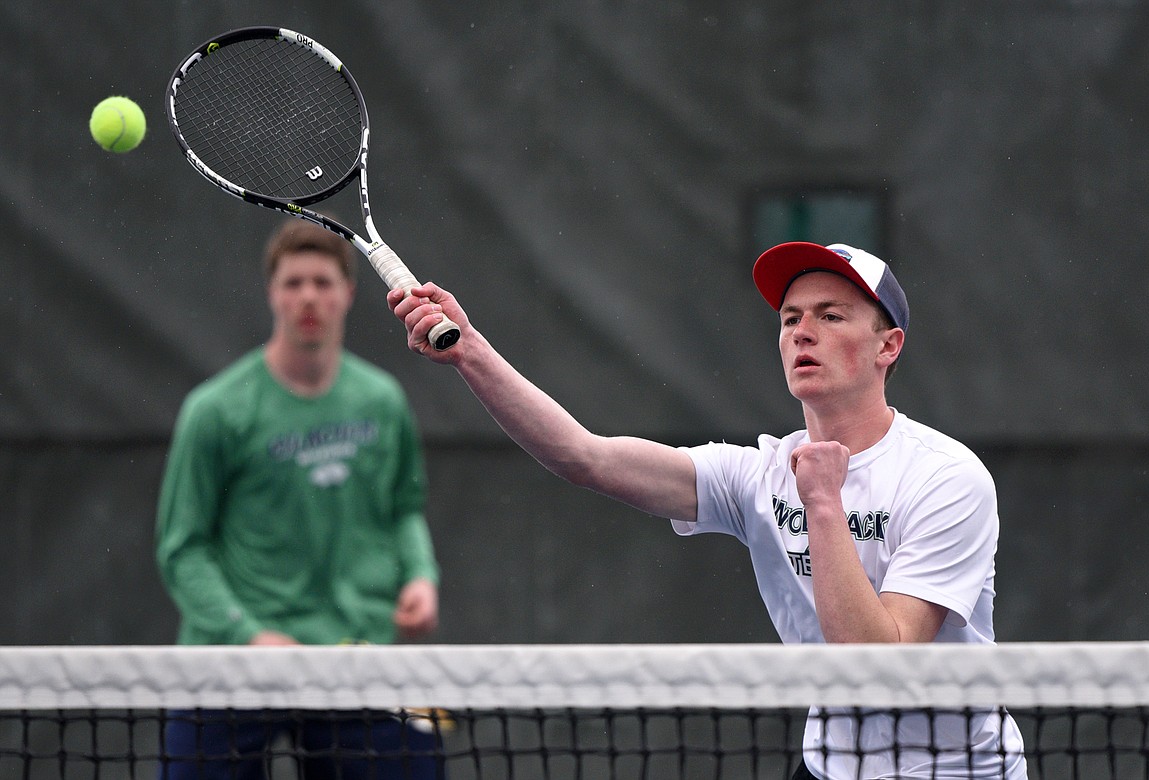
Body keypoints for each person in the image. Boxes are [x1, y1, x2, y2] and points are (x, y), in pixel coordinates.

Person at [388, 241, 1027, 780]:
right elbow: (587, 458)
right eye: (790, 318)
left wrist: (824, 504)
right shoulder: (754, 475)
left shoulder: (947, 479)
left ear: (888, 346)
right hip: (829, 765)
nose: (802, 330)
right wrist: (469, 350)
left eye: (832, 315)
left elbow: (879, 667)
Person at [156, 218, 444, 780]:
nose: (308, 296)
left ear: (349, 293)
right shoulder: (214, 412)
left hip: (352, 655)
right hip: (232, 666)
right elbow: (183, 549)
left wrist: (420, 576)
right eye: (293, 283)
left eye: (322, 281)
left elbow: (403, 508)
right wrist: (249, 634)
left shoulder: (382, 400)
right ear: (272, 293)